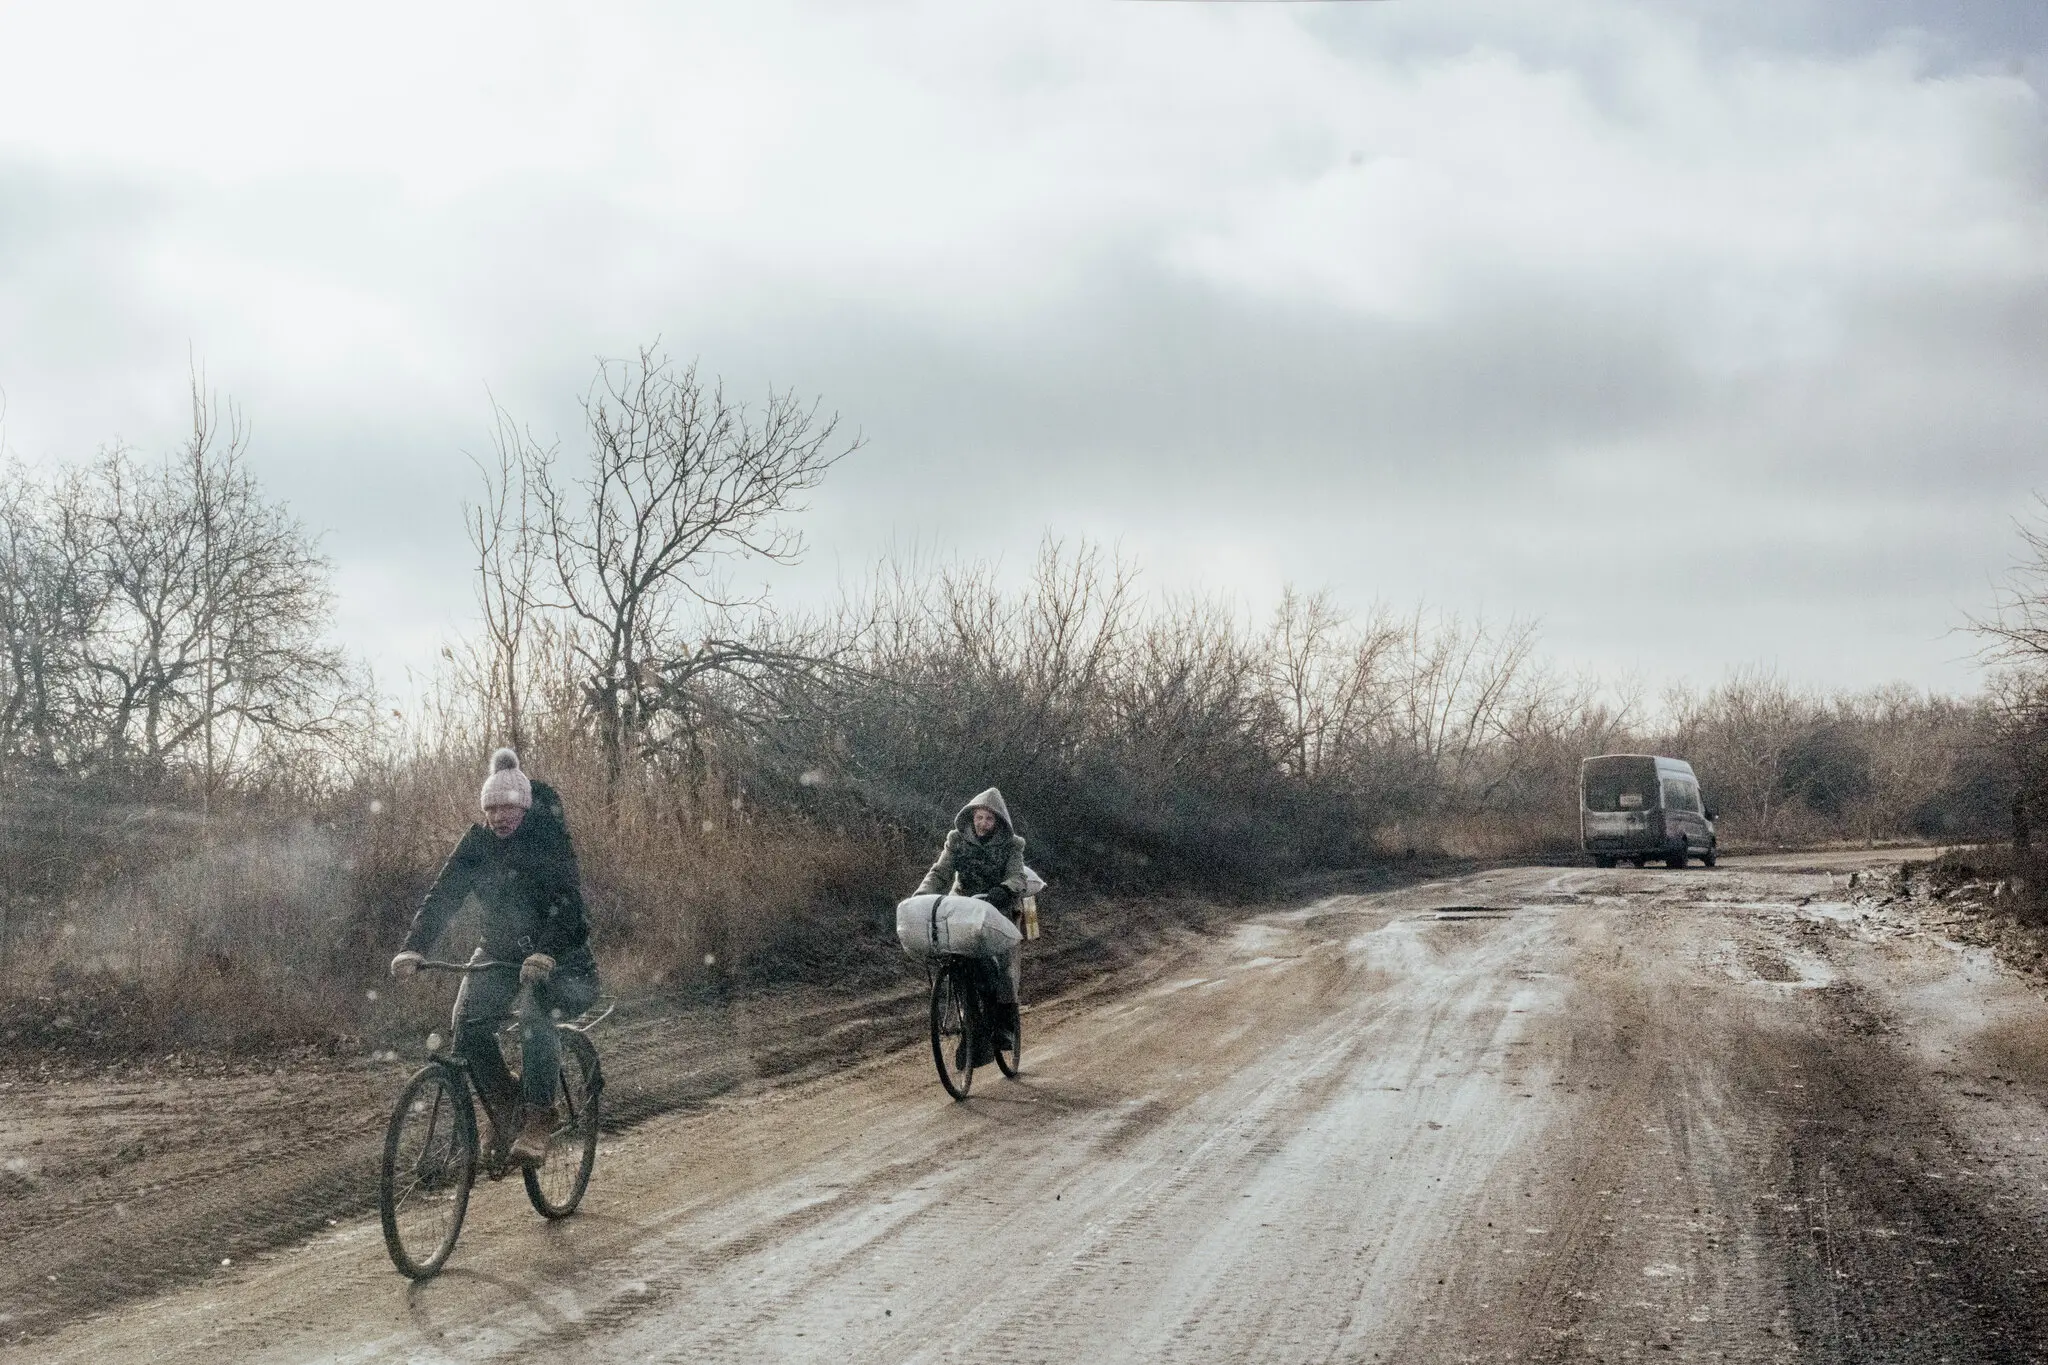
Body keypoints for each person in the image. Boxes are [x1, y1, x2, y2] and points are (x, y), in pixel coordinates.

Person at [389, 749, 598, 1166]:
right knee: (466, 1025)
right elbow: (443, 895)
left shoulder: (546, 839)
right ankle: (505, 1108)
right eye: (491, 809)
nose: (499, 817)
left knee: (537, 1017)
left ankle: (539, 1116)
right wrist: (415, 946)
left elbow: (571, 906)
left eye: (507, 808)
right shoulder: (478, 844)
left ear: (523, 805)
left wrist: (547, 951)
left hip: (564, 959)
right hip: (502, 953)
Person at [914, 787, 1028, 1057]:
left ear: (998, 822)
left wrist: (1004, 888)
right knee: (958, 958)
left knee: (1005, 968)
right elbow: (940, 872)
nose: (983, 824)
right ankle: (971, 1025)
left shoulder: (1013, 845)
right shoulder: (956, 840)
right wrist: (921, 896)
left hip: (998, 906)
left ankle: (1004, 1027)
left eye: (989, 819)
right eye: (979, 818)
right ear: (971, 817)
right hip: (964, 904)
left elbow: (1018, 877)